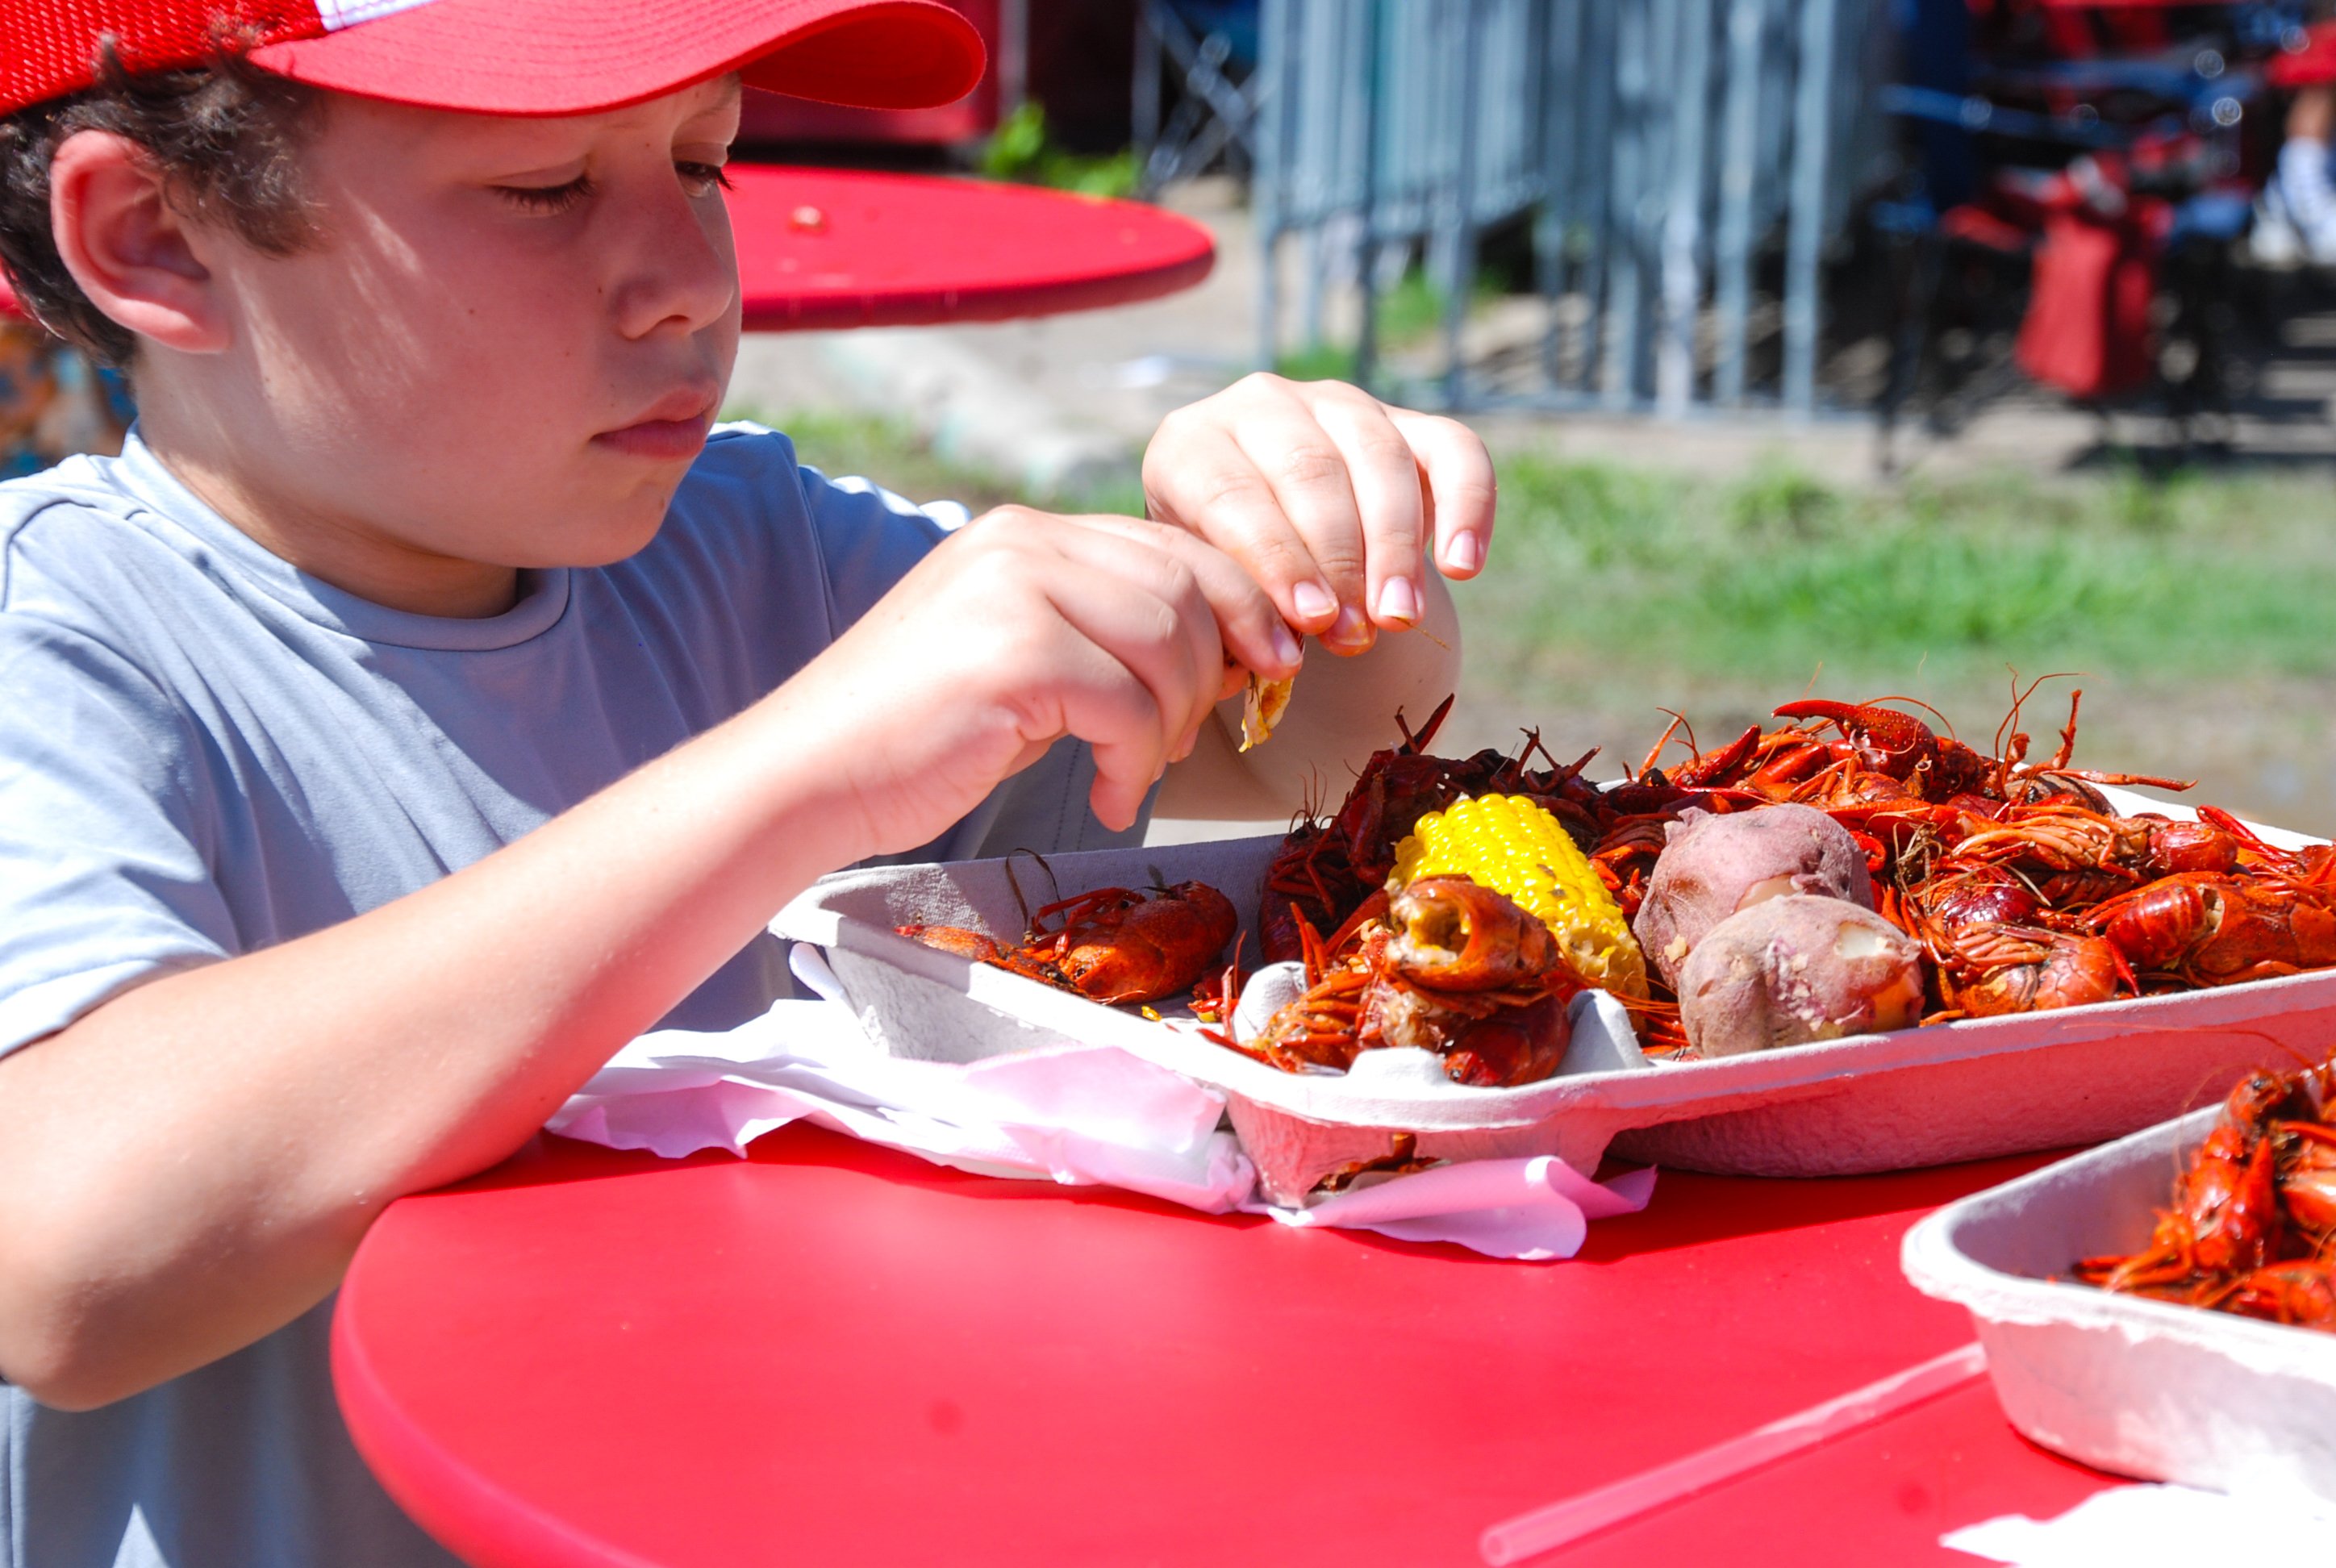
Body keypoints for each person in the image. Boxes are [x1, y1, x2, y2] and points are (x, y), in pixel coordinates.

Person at [0, 2, 1495, 1564]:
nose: (694, 284)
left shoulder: (747, 539)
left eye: (703, 161)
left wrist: (1327, 544)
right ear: (154, 236)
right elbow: (69, 1260)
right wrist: (810, 766)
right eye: (547, 187)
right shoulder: (59, 637)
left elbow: (1328, 744)